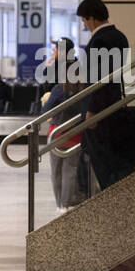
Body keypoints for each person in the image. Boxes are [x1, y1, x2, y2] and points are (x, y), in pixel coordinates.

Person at [76, 0, 135, 191]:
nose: (85, 25)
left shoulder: (99, 41)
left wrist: (92, 111)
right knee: (117, 163)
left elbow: (99, 80)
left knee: (105, 165)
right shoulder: (119, 36)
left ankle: (111, 207)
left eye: (84, 21)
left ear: (92, 18)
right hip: (115, 106)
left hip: (100, 113)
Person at [40, 37, 85, 212]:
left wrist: (50, 64)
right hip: (75, 129)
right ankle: (67, 201)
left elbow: (47, 105)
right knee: (70, 168)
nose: (53, 52)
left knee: (56, 170)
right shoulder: (82, 82)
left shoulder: (59, 86)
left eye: (55, 49)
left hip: (57, 128)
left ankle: (60, 203)